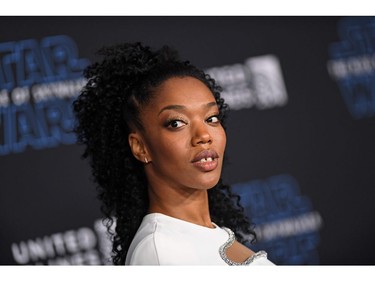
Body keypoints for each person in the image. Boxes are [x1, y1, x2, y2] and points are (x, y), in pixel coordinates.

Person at [73, 42, 274, 266]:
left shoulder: (206, 233)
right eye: (176, 123)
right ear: (141, 148)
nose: (204, 135)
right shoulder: (160, 251)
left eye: (211, 118)